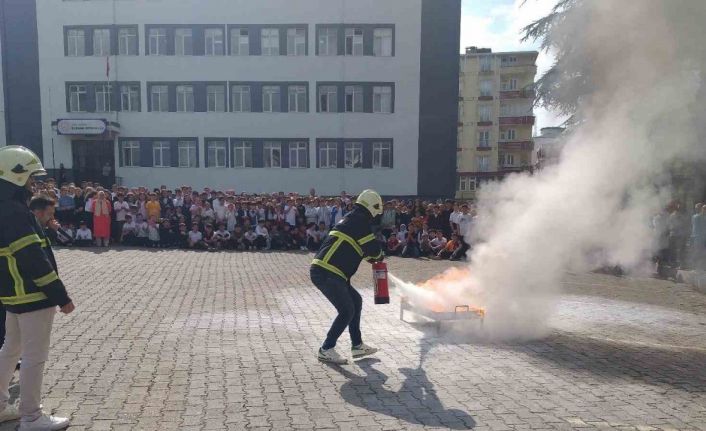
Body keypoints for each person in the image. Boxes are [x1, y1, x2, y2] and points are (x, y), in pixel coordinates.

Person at [0, 145, 74, 430]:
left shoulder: (6, 209)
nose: (34, 184)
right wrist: (60, 295)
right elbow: (33, 259)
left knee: (10, 350)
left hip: (13, 294)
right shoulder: (17, 213)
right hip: (33, 294)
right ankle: (31, 416)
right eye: (31, 177)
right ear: (16, 176)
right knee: (33, 356)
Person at [310, 189, 383, 364]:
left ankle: (357, 345)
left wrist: (373, 258)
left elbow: (364, 252)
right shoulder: (360, 221)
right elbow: (374, 250)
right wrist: (379, 256)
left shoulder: (353, 218)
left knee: (356, 301)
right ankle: (326, 348)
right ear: (372, 208)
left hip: (332, 272)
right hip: (327, 272)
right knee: (346, 310)